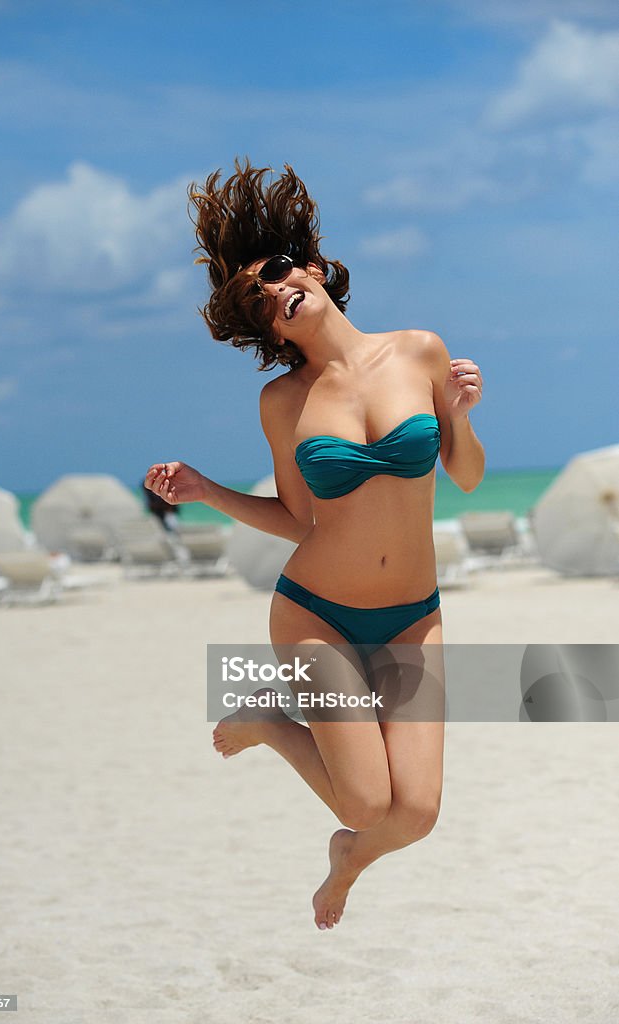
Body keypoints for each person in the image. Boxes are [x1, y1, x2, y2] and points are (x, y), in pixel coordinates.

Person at [144, 159, 485, 929]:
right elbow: (301, 521)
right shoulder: (283, 401)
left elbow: (464, 476)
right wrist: (208, 493)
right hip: (316, 616)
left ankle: (346, 862)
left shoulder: (418, 351)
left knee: (415, 814)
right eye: (258, 302)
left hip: (411, 618)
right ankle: (270, 723)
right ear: (264, 329)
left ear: (315, 267)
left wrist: (459, 417)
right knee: (367, 800)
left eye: (275, 273)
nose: (275, 292)